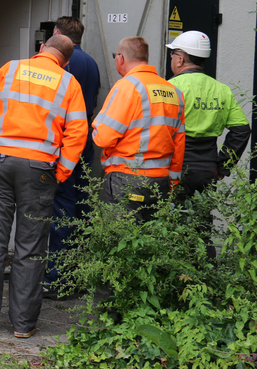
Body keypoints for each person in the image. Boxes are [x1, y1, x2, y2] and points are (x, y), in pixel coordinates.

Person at [0, 34, 88, 339]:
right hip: (39, 170)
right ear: (66, 60)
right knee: (31, 247)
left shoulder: (10, 69)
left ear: (40, 50)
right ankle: (23, 325)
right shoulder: (68, 82)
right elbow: (77, 132)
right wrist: (61, 173)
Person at [166, 31, 250, 254]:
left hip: (177, 168)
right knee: (203, 228)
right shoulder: (221, 89)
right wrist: (223, 165)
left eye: (173, 54)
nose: (172, 59)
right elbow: (242, 130)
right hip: (208, 170)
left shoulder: (172, 87)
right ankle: (205, 279)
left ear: (181, 58)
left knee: (172, 227)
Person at [92, 36, 185, 221]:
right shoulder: (174, 92)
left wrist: (95, 126)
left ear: (121, 58)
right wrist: (173, 183)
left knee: (120, 243)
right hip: (160, 183)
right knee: (150, 243)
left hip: (126, 180)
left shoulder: (127, 86)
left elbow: (103, 137)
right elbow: (179, 143)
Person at [43, 17, 100, 298]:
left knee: (59, 211)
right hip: (85, 142)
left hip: (64, 144)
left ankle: (55, 277)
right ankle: (76, 273)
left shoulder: (64, 64)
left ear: (56, 34)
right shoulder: (91, 63)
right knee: (80, 208)